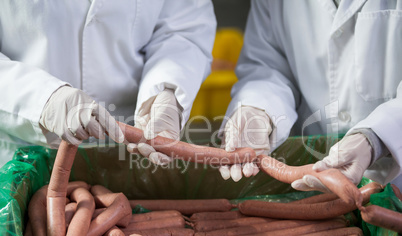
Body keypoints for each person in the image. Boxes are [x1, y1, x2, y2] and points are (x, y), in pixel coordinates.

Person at [0, 0, 216, 167]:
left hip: (134, 149)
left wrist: (165, 90)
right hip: (23, 146)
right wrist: (43, 99)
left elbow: (184, 28)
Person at [219, 0, 402, 191]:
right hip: (309, 181)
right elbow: (269, 65)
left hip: (396, 181)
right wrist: (257, 107)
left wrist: (378, 137)